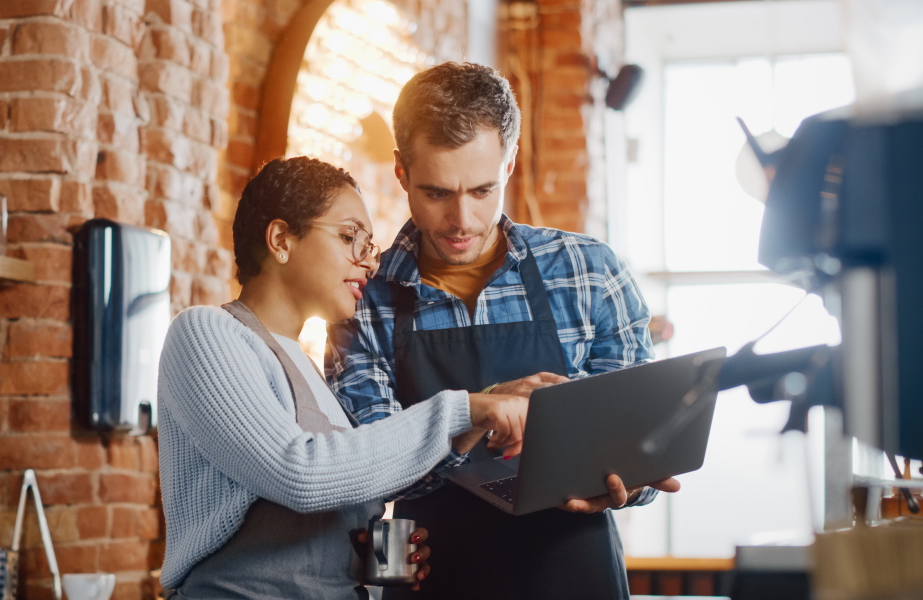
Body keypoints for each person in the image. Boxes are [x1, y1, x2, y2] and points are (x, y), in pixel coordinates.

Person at [326, 62, 681, 599]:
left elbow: (639, 453)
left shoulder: (589, 271)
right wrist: (481, 409)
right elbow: (367, 470)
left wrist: (628, 485)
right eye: (437, 193)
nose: (462, 219)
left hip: (575, 574)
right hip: (436, 577)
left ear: (510, 163)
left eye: (482, 190)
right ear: (401, 172)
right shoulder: (362, 299)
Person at [158, 156, 538, 599]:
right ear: (281, 239)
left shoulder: (313, 374)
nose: (369, 263)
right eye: (348, 237)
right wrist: (463, 409)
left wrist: (372, 560)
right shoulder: (206, 333)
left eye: (369, 244)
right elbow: (299, 473)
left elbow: (313, 516)